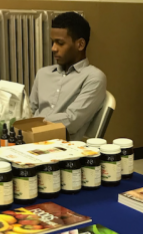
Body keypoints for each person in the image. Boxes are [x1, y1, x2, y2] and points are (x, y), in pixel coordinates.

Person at [30, 12, 107, 141]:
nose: (53, 48)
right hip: (30, 139)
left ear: (80, 45)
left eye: (60, 43)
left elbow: (72, 121)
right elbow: (30, 110)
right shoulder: (43, 74)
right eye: (53, 42)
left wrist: (34, 124)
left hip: (62, 148)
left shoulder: (93, 77)